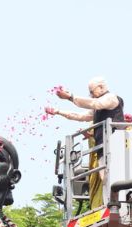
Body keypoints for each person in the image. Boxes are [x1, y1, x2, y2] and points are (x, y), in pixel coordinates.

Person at [45, 77, 124, 210]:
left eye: (92, 91)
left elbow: (95, 104)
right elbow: (80, 116)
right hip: (103, 148)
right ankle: (109, 205)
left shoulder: (111, 98)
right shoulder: (98, 105)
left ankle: (117, 206)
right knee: (105, 179)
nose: (91, 95)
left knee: (113, 178)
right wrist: (58, 112)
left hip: (114, 145)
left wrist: (71, 97)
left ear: (101, 88)